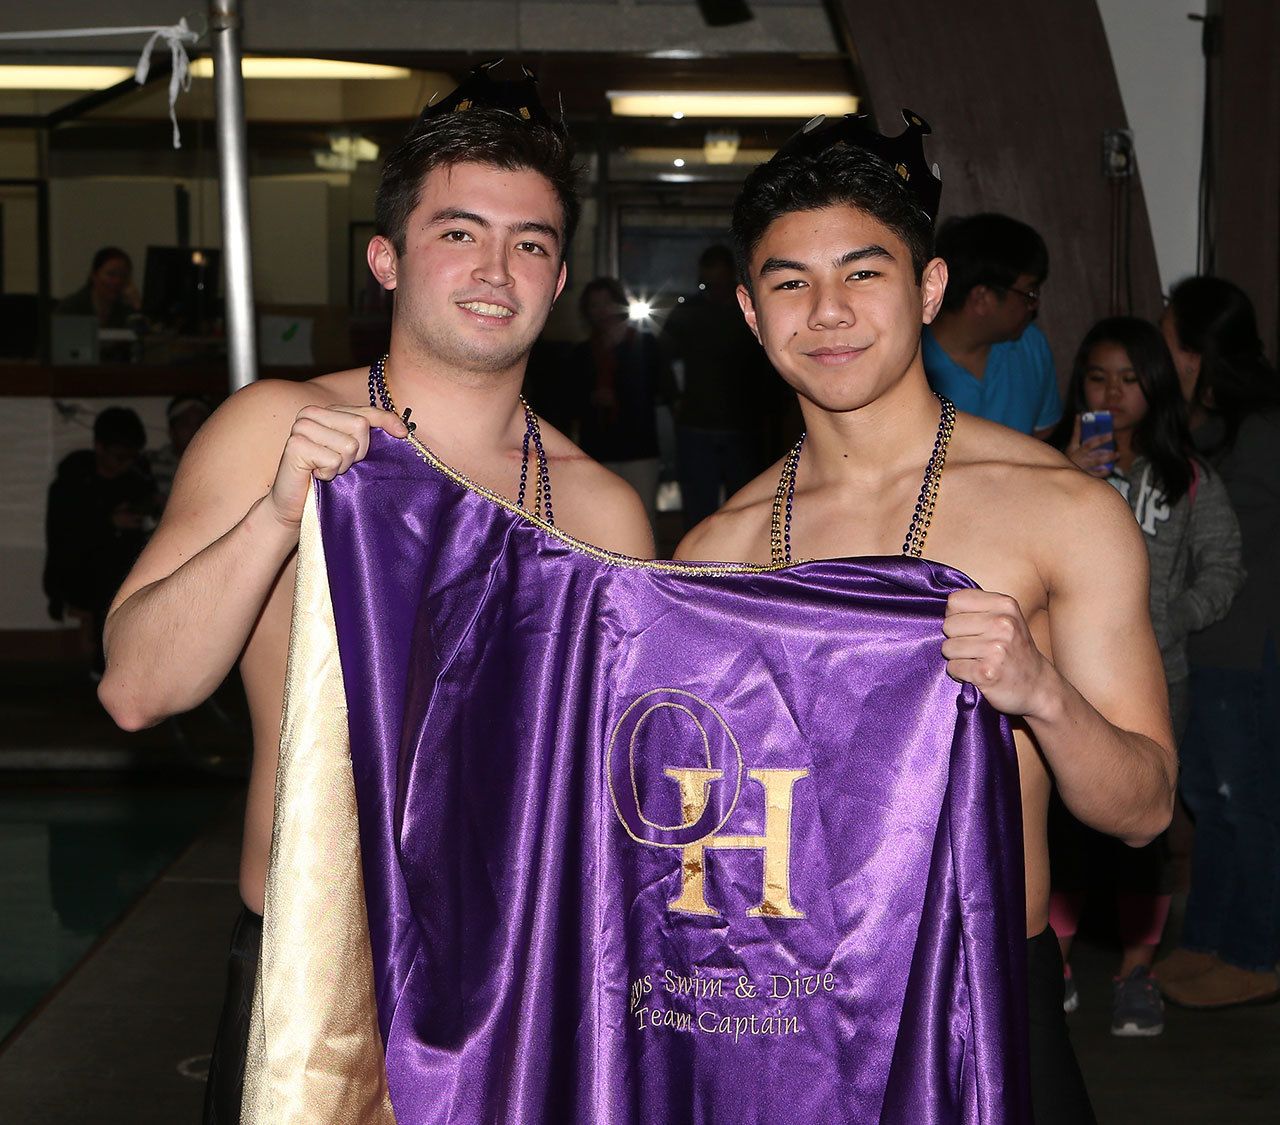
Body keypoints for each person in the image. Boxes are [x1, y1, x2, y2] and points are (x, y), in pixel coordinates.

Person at [97, 65, 653, 1125]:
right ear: (385, 258)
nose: (497, 267)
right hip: (315, 978)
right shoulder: (278, 426)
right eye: (459, 232)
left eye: (529, 243)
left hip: (523, 989)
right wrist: (276, 514)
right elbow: (136, 689)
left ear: (559, 274)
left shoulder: (600, 510)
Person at [676, 114, 1176, 1124]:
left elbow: (1143, 808)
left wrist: (1039, 692)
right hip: (777, 1011)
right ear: (747, 309)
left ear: (928, 288)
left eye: (862, 273)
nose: (826, 312)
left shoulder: (1058, 509)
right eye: (787, 284)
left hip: (984, 999)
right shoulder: (710, 555)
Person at [1047, 316, 1244, 1036]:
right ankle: (1054, 962)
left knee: (1145, 831)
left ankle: (1137, 972)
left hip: (1159, 677)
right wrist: (1062, 476)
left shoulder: (1186, 472)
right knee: (1060, 826)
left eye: (1131, 378)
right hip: (1064, 681)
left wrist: (1170, 614)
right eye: (1099, 377)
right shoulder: (1046, 465)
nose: (1114, 391)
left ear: (1156, 386)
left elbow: (1224, 563)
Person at [1155, 276, 1280, 1009]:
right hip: (1201, 646)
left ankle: (1258, 952)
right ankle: (1210, 940)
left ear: (1198, 354)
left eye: (1167, 337)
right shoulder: (1200, 429)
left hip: (1248, 645)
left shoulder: (1261, 429)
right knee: (1207, 795)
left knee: (1247, 801)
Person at [661, 244, 777, 528]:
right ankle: (697, 570)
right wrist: (675, 400)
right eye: (709, 279)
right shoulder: (687, 312)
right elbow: (662, 360)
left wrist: (766, 410)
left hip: (742, 427)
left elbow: (771, 364)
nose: (715, 286)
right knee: (699, 511)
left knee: (748, 510)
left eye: (720, 278)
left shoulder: (749, 313)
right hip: (696, 425)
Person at [922, 213, 1062, 436]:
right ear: (981, 298)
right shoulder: (913, 362)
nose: (1034, 305)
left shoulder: (1030, 345)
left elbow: (1043, 436)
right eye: (1029, 293)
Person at [44, 406, 157, 676]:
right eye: (119, 457)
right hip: (78, 570)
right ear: (99, 448)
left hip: (123, 566)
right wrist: (108, 523)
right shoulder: (71, 483)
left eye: (131, 457)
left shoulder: (136, 479)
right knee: (110, 573)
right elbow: (63, 537)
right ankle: (107, 663)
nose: (125, 464)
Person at [568, 276, 674, 524]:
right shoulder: (583, 352)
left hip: (638, 448)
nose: (602, 311)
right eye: (595, 305)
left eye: (607, 303)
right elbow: (570, 400)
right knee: (598, 522)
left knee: (642, 519)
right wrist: (592, 398)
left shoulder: (644, 344)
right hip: (597, 447)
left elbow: (655, 390)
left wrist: (620, 355)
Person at [149, 395, 215, 502]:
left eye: (200, 424)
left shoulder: (219, 464)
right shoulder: (148, 463)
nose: (194, 430)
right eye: (185, 424)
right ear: (171, 430)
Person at [56, 246, 141, 329]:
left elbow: (145, 337)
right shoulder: (71, 308)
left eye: (123, 275)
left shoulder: (127, 309)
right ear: (94, 275)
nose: (117, 281)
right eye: (111, 274)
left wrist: (137, 306)